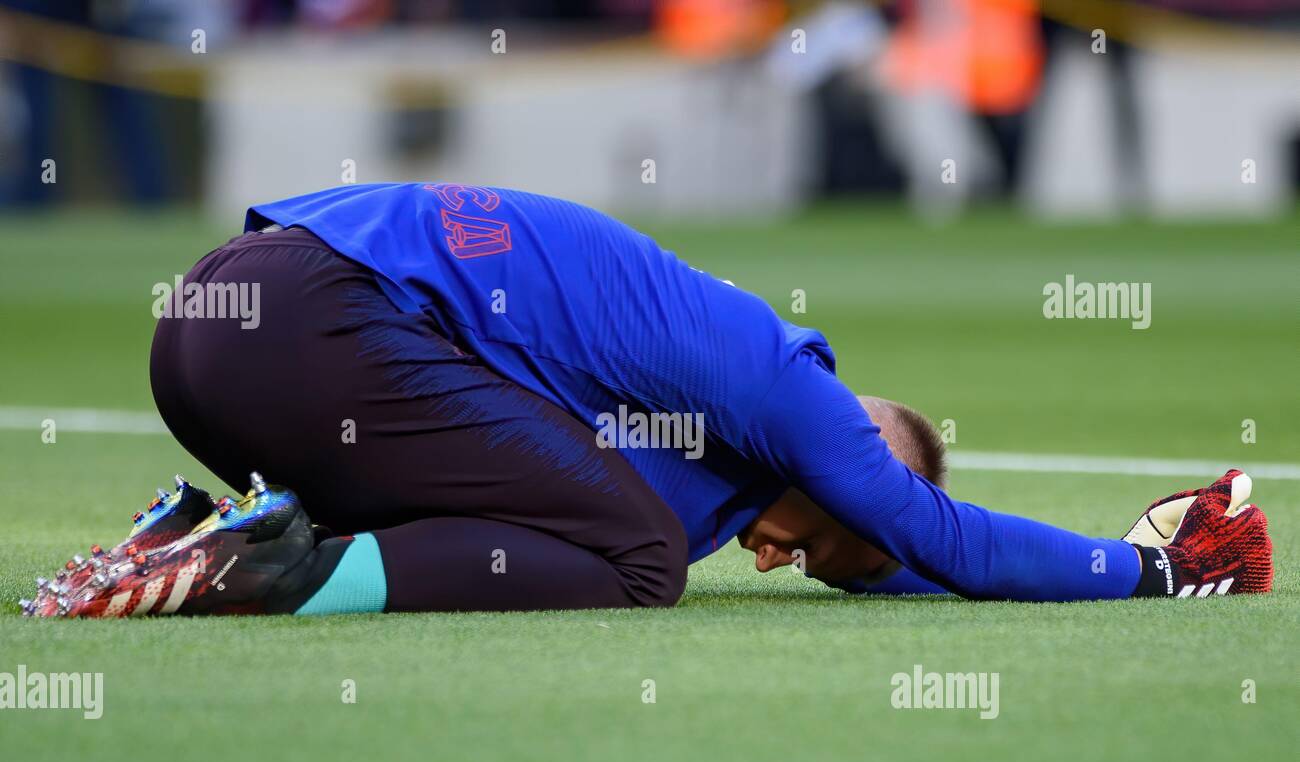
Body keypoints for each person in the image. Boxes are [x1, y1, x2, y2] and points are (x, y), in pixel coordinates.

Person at [24, 184, 1272, 617]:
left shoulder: (710, 464)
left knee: (570, 525)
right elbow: (930, 532)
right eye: (826, 532)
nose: (779, 560)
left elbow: (906, 557)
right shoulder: (791, 385)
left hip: (214, 340)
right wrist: (1151, 565)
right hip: (308, 321)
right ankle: (270, 573)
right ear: (857, 442)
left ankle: (202, 537)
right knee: (632, 562)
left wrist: (872, 553)